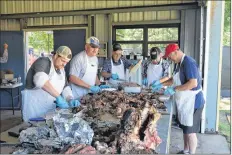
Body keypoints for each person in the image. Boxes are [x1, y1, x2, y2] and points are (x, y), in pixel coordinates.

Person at [155, 44, 205, 154]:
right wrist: (160, 84)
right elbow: (173, 79)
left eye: (169, 56)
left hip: (193, 102)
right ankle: (186, 150)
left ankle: (191, 152)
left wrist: (174, 89)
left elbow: (192, 83)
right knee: (185, 128)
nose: (169, 59)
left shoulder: (188, 62)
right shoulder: (179, 63)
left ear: (175, 52)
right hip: (185, 102)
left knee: (191, 131)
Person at [22, 46, 80, 122]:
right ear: (56, 55)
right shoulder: (43, 62)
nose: (64, 65)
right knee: (32, 129)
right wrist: (59, 97)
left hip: (49, 107)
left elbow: (65, 86)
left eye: (66, 62)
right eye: (63, 61)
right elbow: (40, 80)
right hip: (35, 107)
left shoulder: (61, 69)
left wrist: (70, 99)